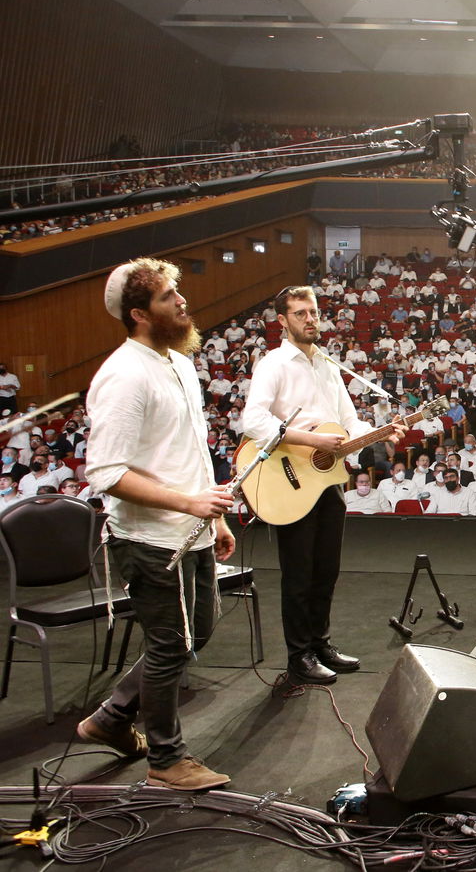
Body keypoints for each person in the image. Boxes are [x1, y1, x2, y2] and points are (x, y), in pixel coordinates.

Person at [77, 258, 236, 792]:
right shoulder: (124, 375)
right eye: (169, 297)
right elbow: (106, 472)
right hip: (148, 538)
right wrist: (188, 502)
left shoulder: (179, 364)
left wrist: (212, 518)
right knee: (170, 645)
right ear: (140, 314)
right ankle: (167, 760)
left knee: (196, 633)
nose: (182, 301)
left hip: (191, 530)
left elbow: (188, 451)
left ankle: (111, 718)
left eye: (178, 292)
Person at [244, 286, 406, 686]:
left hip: (328, 480)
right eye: (300, 313)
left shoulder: (328, 365)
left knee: (326, 570)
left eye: (313, 312)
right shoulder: (274, 364)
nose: (310, 319)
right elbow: (254, 421)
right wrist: (312, 439)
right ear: (282, 321)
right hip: (290, 479)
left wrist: (382, 433)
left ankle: (320, 644)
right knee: (298, 573)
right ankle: (299, 654)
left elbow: (349, 424)